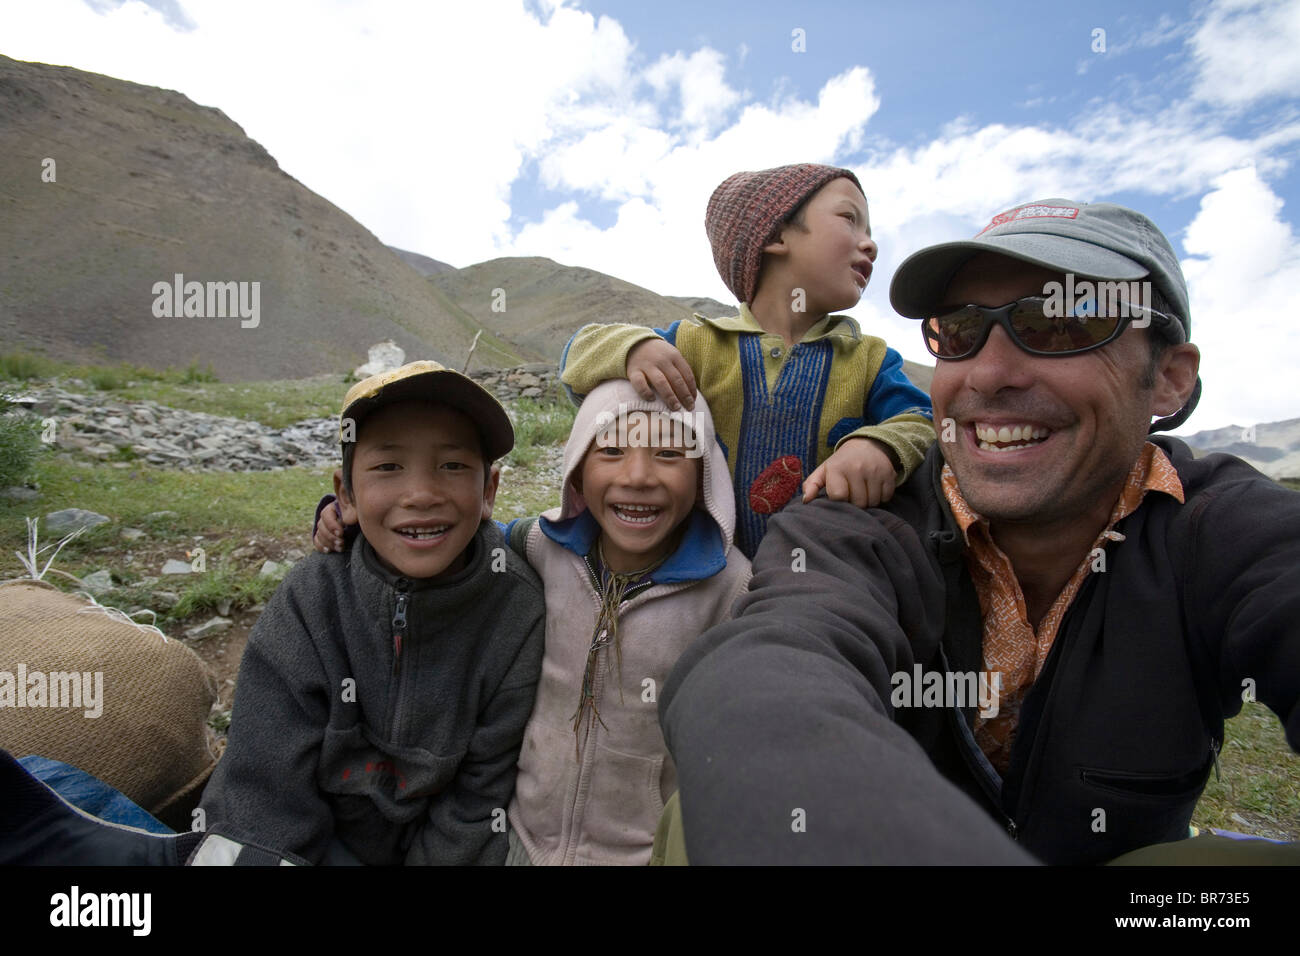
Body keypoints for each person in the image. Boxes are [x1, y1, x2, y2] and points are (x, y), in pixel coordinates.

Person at [656, 198, 1300, 865]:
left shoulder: (1226, 529)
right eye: (960, 330)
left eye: (1060, 322)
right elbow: (766, 668)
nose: (987, 375)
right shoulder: (867, 516)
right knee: (688, 827)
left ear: (1167, 378)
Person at [191, 361, 545, 866]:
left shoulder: (517, 611)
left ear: (488, 491)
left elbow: (479, 797)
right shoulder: (312, 597)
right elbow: (264, 780)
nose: (422, 494)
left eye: (452, 466)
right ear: (346, 495)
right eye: (388, 467)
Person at [557, 164, 935, 558]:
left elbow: (921, 419)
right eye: (849, 220)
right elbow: (578, 360)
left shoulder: (869, 358)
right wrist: (634, 348)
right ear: (775, 236)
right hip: (703, 578)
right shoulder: (696, 344)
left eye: (870, 232)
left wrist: (879, 446)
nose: (870, 244)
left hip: (824, 575)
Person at [504, 379, 750, 864]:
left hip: (640, 853)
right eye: (612, 450)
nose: (638, 476)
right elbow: (458, 537)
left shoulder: (731, 588)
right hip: (524, 838)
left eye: (668, 455)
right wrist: (344, 519)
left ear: (704, 474)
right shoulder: (542, 544)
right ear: (577, 471)